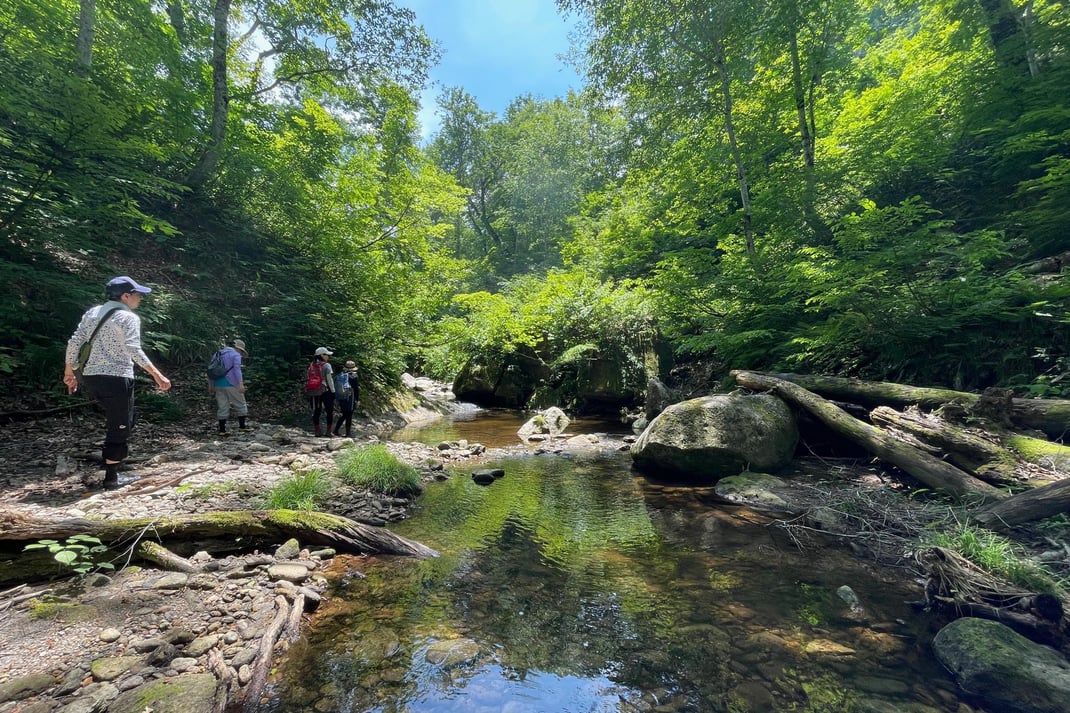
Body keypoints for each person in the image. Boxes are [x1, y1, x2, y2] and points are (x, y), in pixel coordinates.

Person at [63, 276, 171, 489]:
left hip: (92, 376)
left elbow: (75, 341)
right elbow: (133, 348)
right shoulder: (128, 317)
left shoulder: (92, 313)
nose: (140, 299)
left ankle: (114, 461)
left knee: (125, 420)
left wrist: (69, 371)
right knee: (120, 424)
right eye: (138, 295)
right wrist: (156, 374)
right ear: (126, 296)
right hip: (117, 377)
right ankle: (112, 478)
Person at [208, 339, 249, 436]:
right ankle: (242, 427)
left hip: (218, 384)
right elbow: (237, 370)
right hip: (232, 384)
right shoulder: (235, 355)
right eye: (241, 351)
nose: (241, 353)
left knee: (222, 406)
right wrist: (240, 384)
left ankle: (222, 430)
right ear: (238, 349)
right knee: (240, 403)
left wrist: (211, 385)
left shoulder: (217, 353)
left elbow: (210, 369)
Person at [306, 347, 335, 437]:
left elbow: (308, 378)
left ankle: (317, 431)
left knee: (316, 411)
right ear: (321, 355)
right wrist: (333, 391)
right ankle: (328, 431)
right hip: (325, 391)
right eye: (326, 355)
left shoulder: (311, 366)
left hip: (314, 391)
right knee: (329, 410)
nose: (328, 357)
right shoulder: (327, 365)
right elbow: (329, 380)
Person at [333, 360, 360, 437]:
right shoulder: (354, 376)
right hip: (350, 397)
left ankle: (336, 430)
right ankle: (348, 433)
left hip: (342, 397)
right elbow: (356, 389)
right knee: (349, 414)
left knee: (344, 414)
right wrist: (357, 400)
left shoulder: (341, 375)